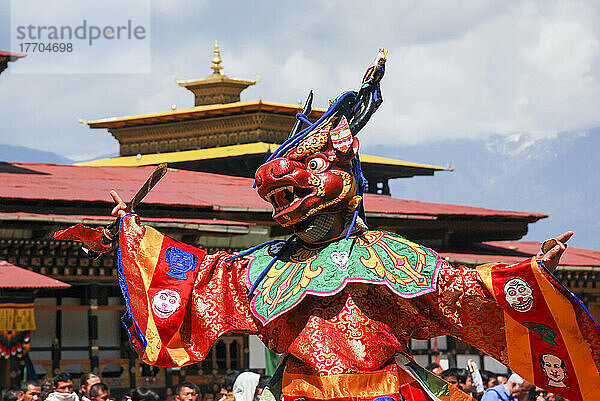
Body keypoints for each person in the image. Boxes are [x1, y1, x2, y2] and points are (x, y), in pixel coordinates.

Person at [57, 49, 600, 401]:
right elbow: (190, 276)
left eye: (309, 173)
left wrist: (529, 272)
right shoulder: (262, 267)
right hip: (294, 390)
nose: (286, 194)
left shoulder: (389, 254)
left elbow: (464, 290)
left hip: (384, 388)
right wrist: (125, 236)